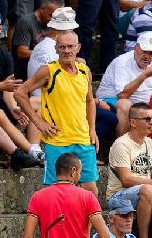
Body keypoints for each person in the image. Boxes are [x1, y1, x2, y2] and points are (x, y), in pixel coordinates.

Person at [14, 27, 99, 193]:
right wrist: (38, 122)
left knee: (91, 191)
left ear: (78, 47)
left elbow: (90, 101)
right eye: (62, 47)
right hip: (57, 140)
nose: (66, 51)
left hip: (82, 138)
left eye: (70, 46)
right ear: (56, 49)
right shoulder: (49, 70)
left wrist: (92, 129)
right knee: (55, 192)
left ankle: (82, 220)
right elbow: (20, 93)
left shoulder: (84, 70)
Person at [0, 9, 43, 170]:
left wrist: (13, 107)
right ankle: (30, 151)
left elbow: (8, 88)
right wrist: (2, 86)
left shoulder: (4, 54)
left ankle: (35, 146)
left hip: (1, 102)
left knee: (38, 102)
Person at [105, 102, 152, 238]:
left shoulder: (150, 143)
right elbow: (126, 180)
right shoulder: (121, 144)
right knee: (148, 189)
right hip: (118, 196)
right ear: (133, 123)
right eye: (147, 119)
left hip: (142, 192)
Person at [96, 30, 152, 139]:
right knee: (125, 104)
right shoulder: (123, 62)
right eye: (144, 51)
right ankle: (123, 148)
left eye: (151, 53)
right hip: (111, 99)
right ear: (136, 48)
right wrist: (144, 76)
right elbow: (122, 95)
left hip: (140, 101)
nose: (147, 56)